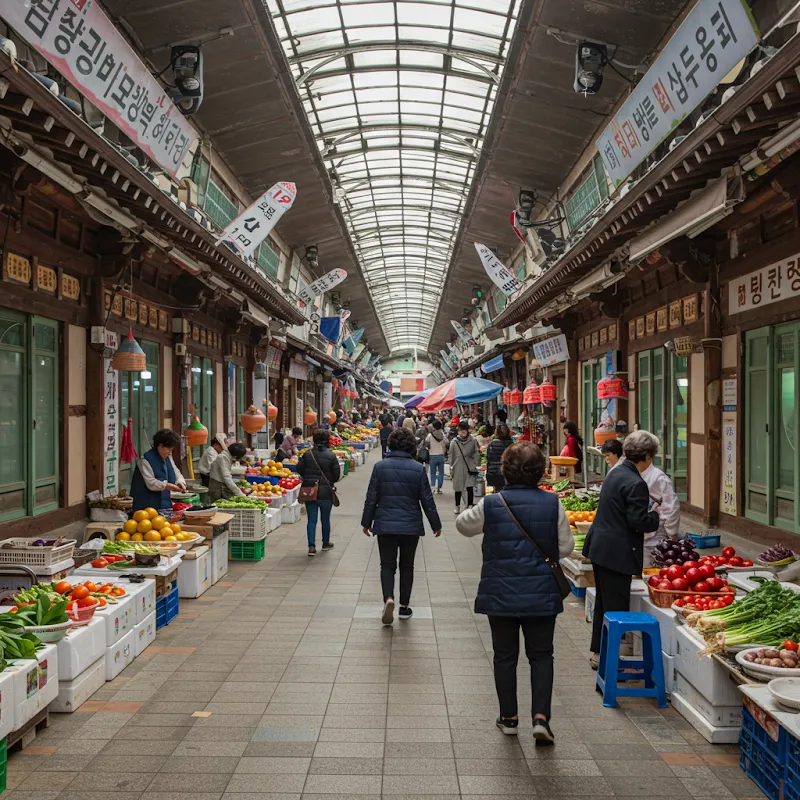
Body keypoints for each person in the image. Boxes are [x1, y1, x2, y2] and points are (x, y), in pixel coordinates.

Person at [456, 442, 574, 744]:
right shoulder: (553, 503)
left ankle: (509, 718)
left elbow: (463, 526)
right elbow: (565, 548)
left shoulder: (493, 504)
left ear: (505, 471)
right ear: (540, 473)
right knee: (541, 655)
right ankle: (541, 718)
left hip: (501, 591)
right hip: (541, 592)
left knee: (505, 657)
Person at [582, 430, 661, 669]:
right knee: (615, 607)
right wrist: (654, 515)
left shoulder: (616, 473)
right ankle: (609, 660)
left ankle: (599, 653)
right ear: (647, 456)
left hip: (601, 547)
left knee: (604, 605)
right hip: (617, 552)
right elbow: (638, 521)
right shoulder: (636, 482)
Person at [361, 427, 442, 624]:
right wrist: (435, 524)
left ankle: (389, 598)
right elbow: (427, 500)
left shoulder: (380, 467)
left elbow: (372, 497)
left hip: (385, 524)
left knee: (387, 565)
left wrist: (366, 522)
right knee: (407, 566)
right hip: (410, 525)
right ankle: (404, 607)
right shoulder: (418, 469)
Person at [297, 429, 341, 557]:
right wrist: (329, 481)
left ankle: (311, 546)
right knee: (325, 519)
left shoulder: (307, 454)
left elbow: (300, 469)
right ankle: (325, 542)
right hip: (326, 492)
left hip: (310, 490)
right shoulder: (331, 455)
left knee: (311, 520)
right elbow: (336, 475)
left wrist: (308, 478)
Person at [640, 433, 680, 561]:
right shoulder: (630, 473)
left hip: (656, 532)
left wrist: (671, 534)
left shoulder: (658, 477)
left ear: (649, 457)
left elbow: (671, 507)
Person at [130, 429, 186, 512]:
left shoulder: (168, 458)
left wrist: (180, 481)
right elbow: (151, 483)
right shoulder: (145, 461)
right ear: (161, 446)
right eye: (169, 449)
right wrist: (167, 486)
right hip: (146, 505)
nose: (170, 453)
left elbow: (176, 471)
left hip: (164, 504)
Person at [449, 420, 480, 515]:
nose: (463, 432)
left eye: (464, 430)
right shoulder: (454, 442)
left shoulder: (473, 440)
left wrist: (475, 463)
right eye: (461, 430)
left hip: (469, 466)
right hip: (457, 466)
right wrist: (451, 466)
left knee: (470, 486)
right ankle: (457, 506)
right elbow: (451, 454)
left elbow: (476, 452)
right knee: (458, 488)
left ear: (467, 431)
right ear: (458, 431)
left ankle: (469, 505)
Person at [486, 424, 513, 491]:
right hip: (507, 472)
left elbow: (489, 458)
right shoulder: (511, 444)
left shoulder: (492, 444)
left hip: (494, 472)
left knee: (497, 492)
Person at [426, 420, 449, 494]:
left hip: (432, 455)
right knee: (441, 472)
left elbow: (426, 443)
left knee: (433, 472)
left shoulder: (430, 435)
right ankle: (439, 488)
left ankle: (432, 487)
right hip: (441, 455)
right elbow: (447, 442)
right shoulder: (443, 434)